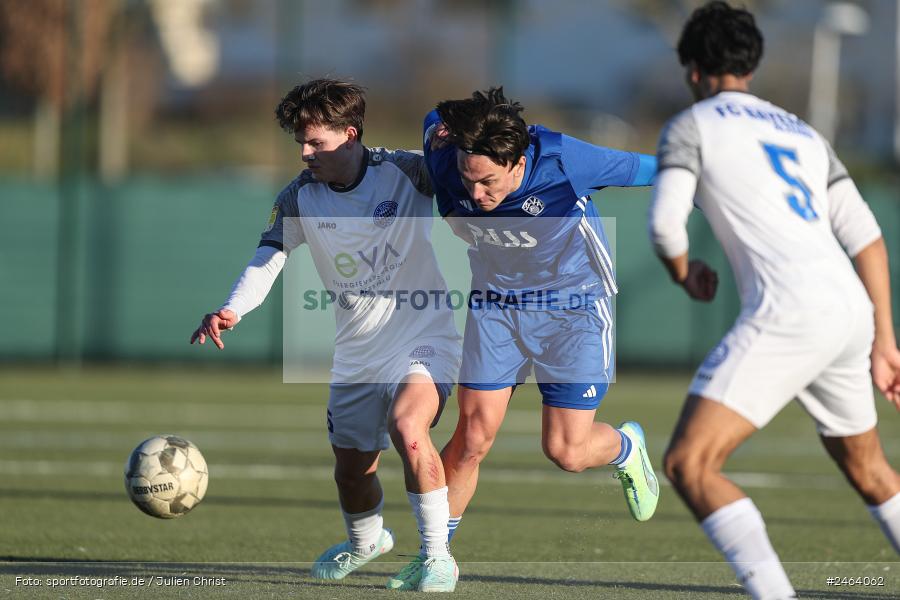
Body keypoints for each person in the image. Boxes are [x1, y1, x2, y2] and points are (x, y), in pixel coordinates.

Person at [649, 3, 900, 598]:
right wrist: (885, 338)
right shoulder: (805, 133)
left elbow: (664, 228)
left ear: (691, 69)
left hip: (789, 313)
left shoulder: (692, 124)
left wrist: (684, 273)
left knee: (690, 464)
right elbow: (866, 237)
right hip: (849, 311)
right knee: (869, 471)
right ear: (751, 66)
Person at [189, 78, 463, 592]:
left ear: (351, 134)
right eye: (300, 143)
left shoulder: (407, 170)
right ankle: (366, 542)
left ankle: (437, 558)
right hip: (359, 351)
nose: (305, 154)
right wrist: (231, 309)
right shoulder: (300, 197)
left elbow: (470, 179)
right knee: (352, 470)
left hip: (427, 336)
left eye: (315, 142)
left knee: (409, 429)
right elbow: (270, 256)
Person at [387, 86, 661, 590]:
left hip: (573, 311)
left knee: (567, 452)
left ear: (516, 162)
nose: (475, 196)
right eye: (468, 182)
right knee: (471, 437)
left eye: (489, 182)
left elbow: (658, 170)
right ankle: (435, 556)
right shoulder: (445, 149)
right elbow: (435, 115)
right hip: (495, 308)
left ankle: (626, 447)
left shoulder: (567, 160)